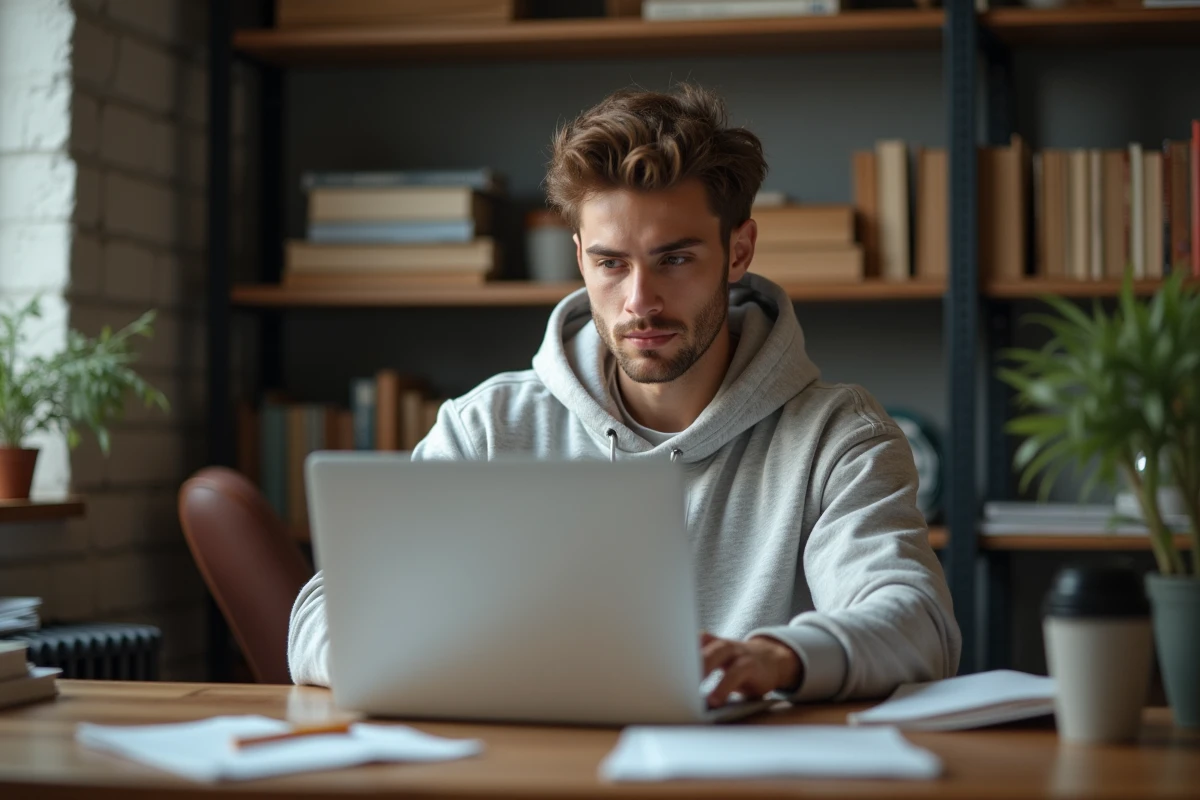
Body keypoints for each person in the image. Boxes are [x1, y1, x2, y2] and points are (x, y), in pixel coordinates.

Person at [288, 84, 961, 706]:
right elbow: (321, 615)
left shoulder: (839, 436)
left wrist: (775, 656)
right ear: (580, 256)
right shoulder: (486, 427)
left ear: (738, 250)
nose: (640, 301)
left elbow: (916, 621)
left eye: (674, 258)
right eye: (611, 263)